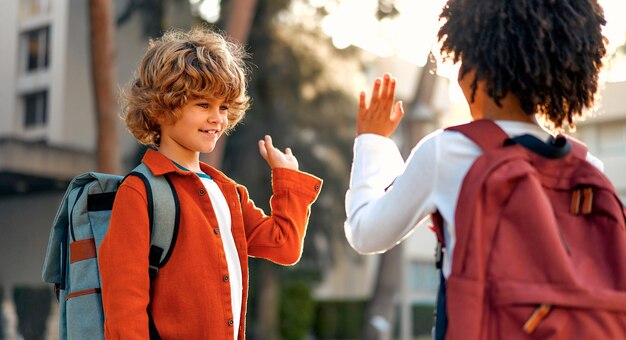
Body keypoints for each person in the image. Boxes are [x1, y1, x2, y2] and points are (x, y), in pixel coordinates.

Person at [345, 0, 607, 329]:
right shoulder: (587, 166)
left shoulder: (449, 151)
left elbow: (366, 233)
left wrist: (373, 141)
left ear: (476, 63)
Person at [98, 27, 322, 339]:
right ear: (161, 108)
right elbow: (125, 310)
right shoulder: (139, 191)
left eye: (224, 107)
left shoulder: (227, 191)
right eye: (203, 105)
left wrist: (287, 181)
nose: (217, 118)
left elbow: (284, 246)